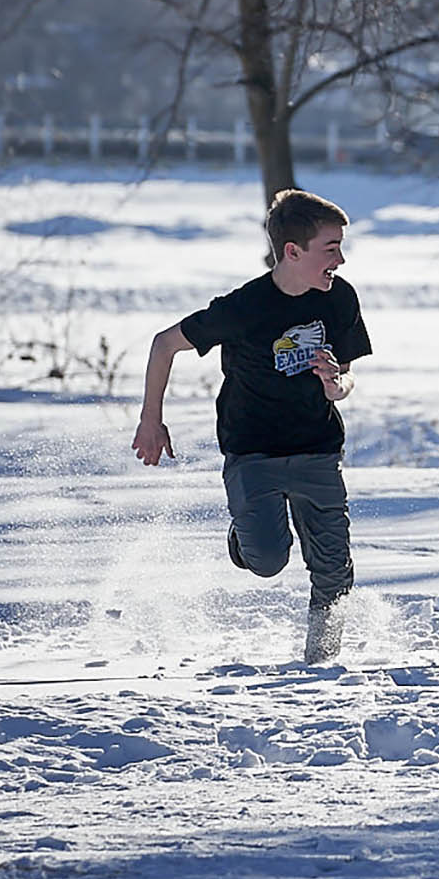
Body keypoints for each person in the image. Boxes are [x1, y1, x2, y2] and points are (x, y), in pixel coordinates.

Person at [132, 188, 372, 665]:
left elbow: (345, 380)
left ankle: (321, 662)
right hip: (253, 453)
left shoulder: (339, 299)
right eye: (331, 249)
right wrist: (151, 419)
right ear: (292, 251)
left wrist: (335, 383)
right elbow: (163, 345)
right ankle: (244, 536)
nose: (341, 260)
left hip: (318, 449)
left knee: (333, 568)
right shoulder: (242, 308)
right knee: (267, 561)